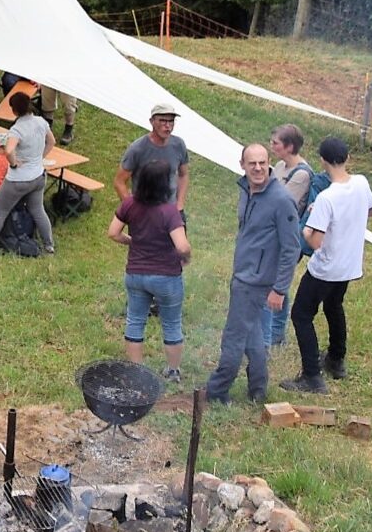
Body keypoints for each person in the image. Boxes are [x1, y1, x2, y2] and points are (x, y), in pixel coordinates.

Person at [204, 144, 302, 405]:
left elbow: (291, 248)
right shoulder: (247, 190)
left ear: (269, 162)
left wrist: (279, 289)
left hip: (254, 282)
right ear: (242, 165)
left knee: (234, 337)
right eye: (252, 163)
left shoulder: (281, 200)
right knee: (254, 335)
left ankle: (216, 391)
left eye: (262, 163)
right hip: (244, 276)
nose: (258, 168)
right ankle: (258, 390)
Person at [282, 136, 372, 395]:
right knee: (334, 306)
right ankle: (336, 359)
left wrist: (306, 228)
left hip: (325, 268)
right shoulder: (361, 183)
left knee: (301, 315)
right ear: (348, 158)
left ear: (322, 161)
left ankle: (312, 376)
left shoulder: (327, 197)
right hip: (349, 266)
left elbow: (315, 242)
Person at [109, 160, 192, 382]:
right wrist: (186, 256)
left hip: (135, 274)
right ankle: (173, 371)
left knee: (135, 320)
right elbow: (182, 245)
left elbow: (113, 233)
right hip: (166, 276)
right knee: (172, 322)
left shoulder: (129, 204)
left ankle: (137, 370)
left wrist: (132, 241)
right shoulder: (169, 211)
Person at [264, 123, 327, 347]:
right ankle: (271, 329)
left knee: (278, 284)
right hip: (272, 234)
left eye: (276, 143)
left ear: (289, 146)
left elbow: (280, 204)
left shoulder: (301, 174)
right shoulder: (281, 166)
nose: (271, 147)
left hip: (288, 238)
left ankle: (276, 332)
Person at [0, 90, 55, 254]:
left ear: (14, 110)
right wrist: (39, 158)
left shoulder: (17, 130)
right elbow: (51, 141)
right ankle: (49, 244)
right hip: (38, 176)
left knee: (0, 211)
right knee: (38, 210)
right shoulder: (41, 122)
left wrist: (13, 164)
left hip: (18, 180)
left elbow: (9, 150)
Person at [114, 103, 190, 216]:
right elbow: (119, 181)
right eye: (163, 121)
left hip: (172, 212)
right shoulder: (138, 149)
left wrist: (179, 205)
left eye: (171, 121)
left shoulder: (179, 145)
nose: (168, 126)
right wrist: (132, 209)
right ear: (152, 121)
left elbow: (183, 175)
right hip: (145, 213)